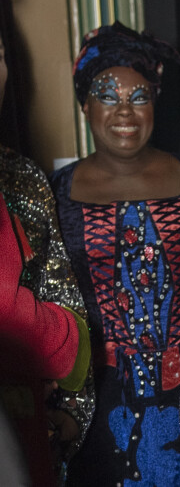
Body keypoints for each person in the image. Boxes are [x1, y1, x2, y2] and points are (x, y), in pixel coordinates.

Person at [50, 22, 180, 486]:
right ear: (85, 104)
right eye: (108, 95)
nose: (125, 110)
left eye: (139, 97)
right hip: (96, 409)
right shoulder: (54, 196)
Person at [0, 31, 92, 486]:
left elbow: (61, 291)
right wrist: (62, 337)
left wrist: (70, 415)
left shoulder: (21, 176)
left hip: (30, 434)